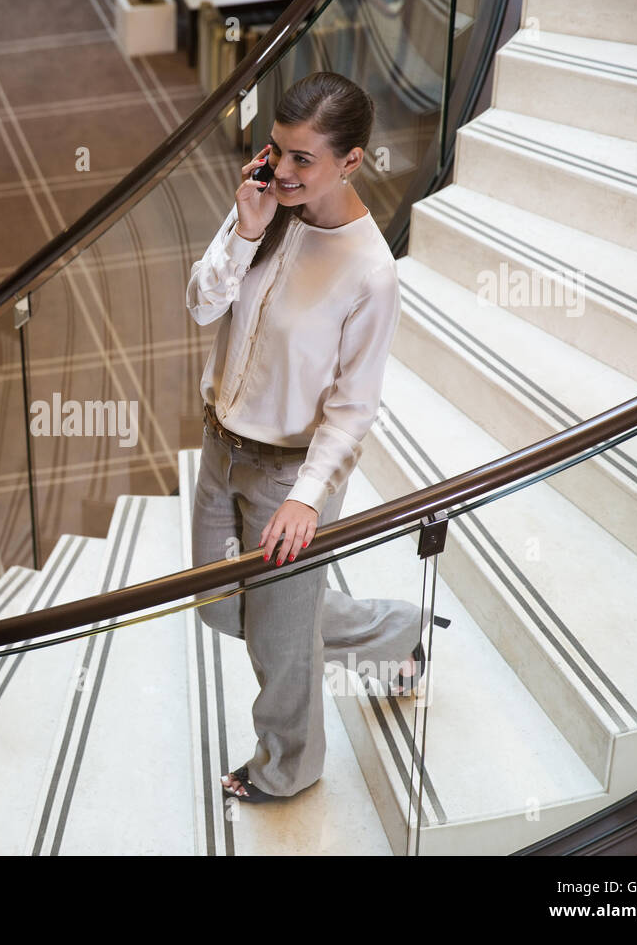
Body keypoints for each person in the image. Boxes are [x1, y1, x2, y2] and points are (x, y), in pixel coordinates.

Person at [187, 72, 428, 803]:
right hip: (220, 446)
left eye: (303, 161)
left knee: (280, 644)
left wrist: (309, 500)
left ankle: (287, 770)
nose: (282, 171)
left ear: (351, 161)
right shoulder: (264, 211)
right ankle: (396, 630)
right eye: (278, 151)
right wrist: (245, 228)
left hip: (286, 476)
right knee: (219, 604)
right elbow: (201, 306)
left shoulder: (370, 273)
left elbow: (353, 409)